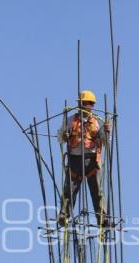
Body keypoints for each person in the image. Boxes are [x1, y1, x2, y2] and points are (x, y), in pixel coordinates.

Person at [57, 90, 111, 227]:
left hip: (91, 161)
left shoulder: (97, 122)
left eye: (87, 103)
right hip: (75, 160)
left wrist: (107, 131)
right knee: (69, 190)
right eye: (82, 103)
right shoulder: (70, 120)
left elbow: (105, 141)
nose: (84, 105)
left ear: (91, 105)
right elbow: (60, 138)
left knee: (97, 191)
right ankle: (64, 215)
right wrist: (65, 135)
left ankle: (102, 218)